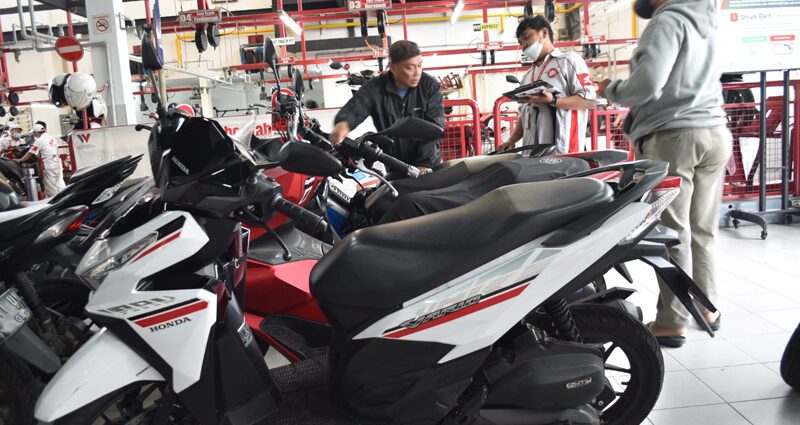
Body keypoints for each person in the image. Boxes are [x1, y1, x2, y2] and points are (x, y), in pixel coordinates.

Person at [597, 0, 731, 347]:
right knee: (703, 231)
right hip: (714, 132)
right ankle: (707, 308)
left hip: (675, 137)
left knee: (674, 233)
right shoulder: (706, 21)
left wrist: (611, 89)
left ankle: (672, 322)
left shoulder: (666, 21)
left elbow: (647, 84)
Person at [329, 40, 444, 173]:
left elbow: (434, 129)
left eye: (419, 65)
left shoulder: (429, 86)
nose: (417, 72)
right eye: (410, 67)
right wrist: (342, 126)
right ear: (393, 68)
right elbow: (357, 106)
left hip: (428, 167)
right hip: (396, 166)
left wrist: (424, 164)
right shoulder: (375, 87)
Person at [498, 15, 597, 155]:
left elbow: (589, 102)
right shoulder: (527, 77)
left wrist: (553, 100)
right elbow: (524, 115)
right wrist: (512, 140)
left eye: (526, 37)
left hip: (564, 153)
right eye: (520, 42)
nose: (524, 45)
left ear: (544, 33)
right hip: (531, 155)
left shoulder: (568, 61)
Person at [17, 121, 66, 198]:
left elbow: (30, 153)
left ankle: (55, 201)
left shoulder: (40, 140)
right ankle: (65, 197)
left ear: (36, 132)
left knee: (51, 186)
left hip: (48, 165)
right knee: (59, 183)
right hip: (57, 163)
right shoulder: (52, 138)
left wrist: (20, 160)